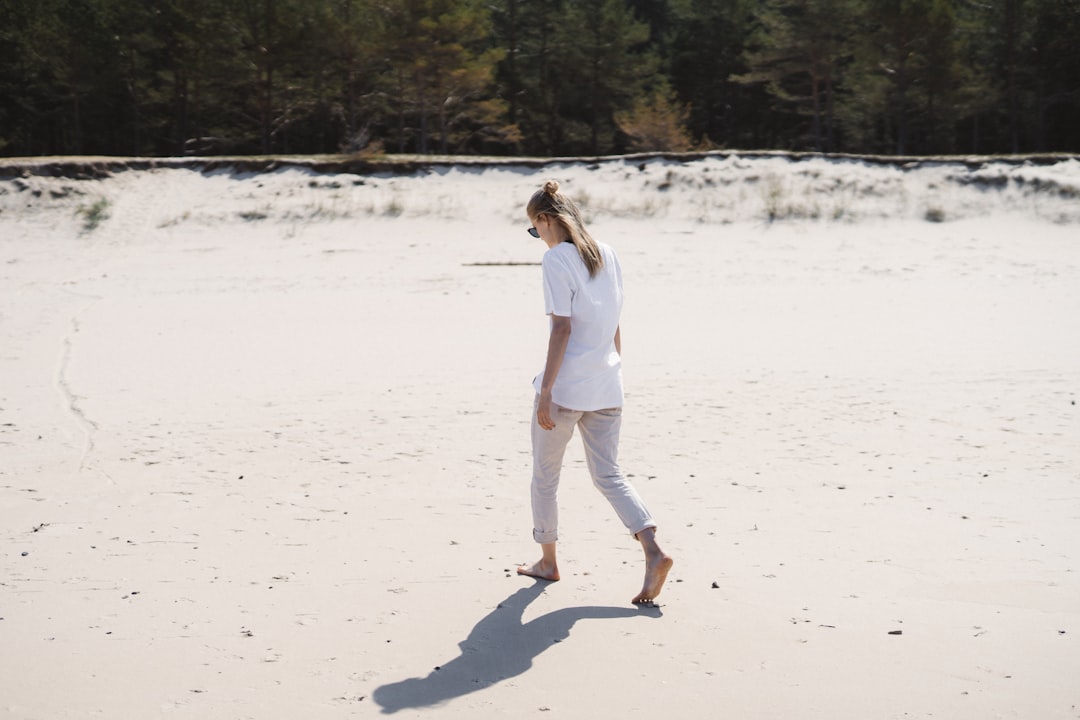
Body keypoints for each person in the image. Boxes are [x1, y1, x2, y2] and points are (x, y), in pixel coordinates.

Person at [516, 180, 673, 605]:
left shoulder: (556, 261)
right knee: (609, 475)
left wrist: (546, 391)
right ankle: (653, 550)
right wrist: (613, 367)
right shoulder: (609, 253)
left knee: (545, 477)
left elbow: (562, 328)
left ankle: (547, 562)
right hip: (608, 384)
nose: (538, 238)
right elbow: (614, 320)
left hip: (567, 388)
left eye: (535, 229)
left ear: (547, 221)